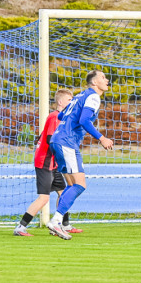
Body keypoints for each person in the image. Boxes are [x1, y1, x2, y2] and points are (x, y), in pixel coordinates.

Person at [46, 70, 114, 240]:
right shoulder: (93, 97)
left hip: (57, 140)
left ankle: (59, 222)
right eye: (103, 77)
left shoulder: (79, 96)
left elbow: (62, 115)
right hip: (67, 142)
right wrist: (102, 138)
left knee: (71, 185)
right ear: (94, 82)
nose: (107, 80)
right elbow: (84, 120)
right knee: (80, 185)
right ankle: (56, 221)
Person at [14, 89, 81, 237]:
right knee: (44, 198)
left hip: (53, 163)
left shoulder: (63, 118)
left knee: (63, 193)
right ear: (60, 102)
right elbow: (51, 139)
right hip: (45, 162)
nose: (72, 103)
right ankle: (20, 227)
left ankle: (64, 225)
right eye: (69, 100)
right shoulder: (55, 116)